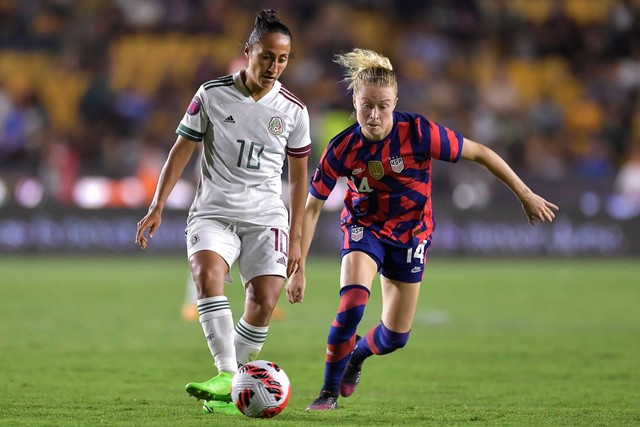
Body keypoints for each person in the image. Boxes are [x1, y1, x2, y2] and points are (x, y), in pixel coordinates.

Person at [284, 48, 559, 411]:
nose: (375, 114)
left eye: (383, 105)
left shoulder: (418, 133)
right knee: (352, 304)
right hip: (363, 229)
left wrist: (524, 194)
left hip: (412, 234)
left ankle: (356, 357)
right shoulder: (342, 147)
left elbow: (480, 153)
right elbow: (313, 205)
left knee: (395, 337)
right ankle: (327, 394)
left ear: (395, 102)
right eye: (367, 105)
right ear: (355, 100)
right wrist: (298, 263)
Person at [135, 9, 310, 415]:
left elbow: (300, 179)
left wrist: (298, 237)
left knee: (265, 299)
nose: (274, 66)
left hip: (266, 216)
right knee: (206, 274)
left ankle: (232, 391)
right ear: (248, 51)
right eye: (267, 55)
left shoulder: (294, 112)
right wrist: (157, 205)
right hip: (213, 212)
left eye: (283, 59)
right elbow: (182, 149)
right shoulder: (211, 94)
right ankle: (228, 374)